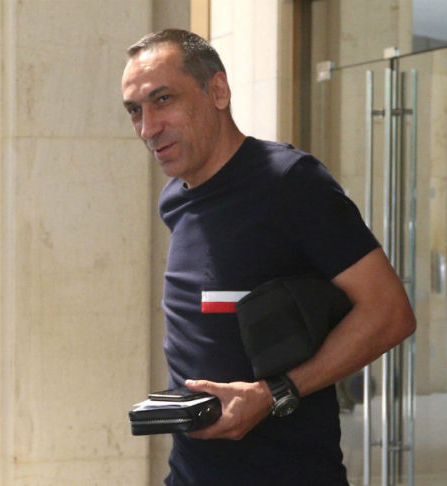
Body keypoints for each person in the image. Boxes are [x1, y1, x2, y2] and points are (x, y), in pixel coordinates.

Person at [121, 29, 416, 485]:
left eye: (163, 100)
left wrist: (275, 392)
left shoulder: (292, 183)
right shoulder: (175, 200)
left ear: (218, 91)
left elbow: (390, 312)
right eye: (135, 110)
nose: (148, 128)